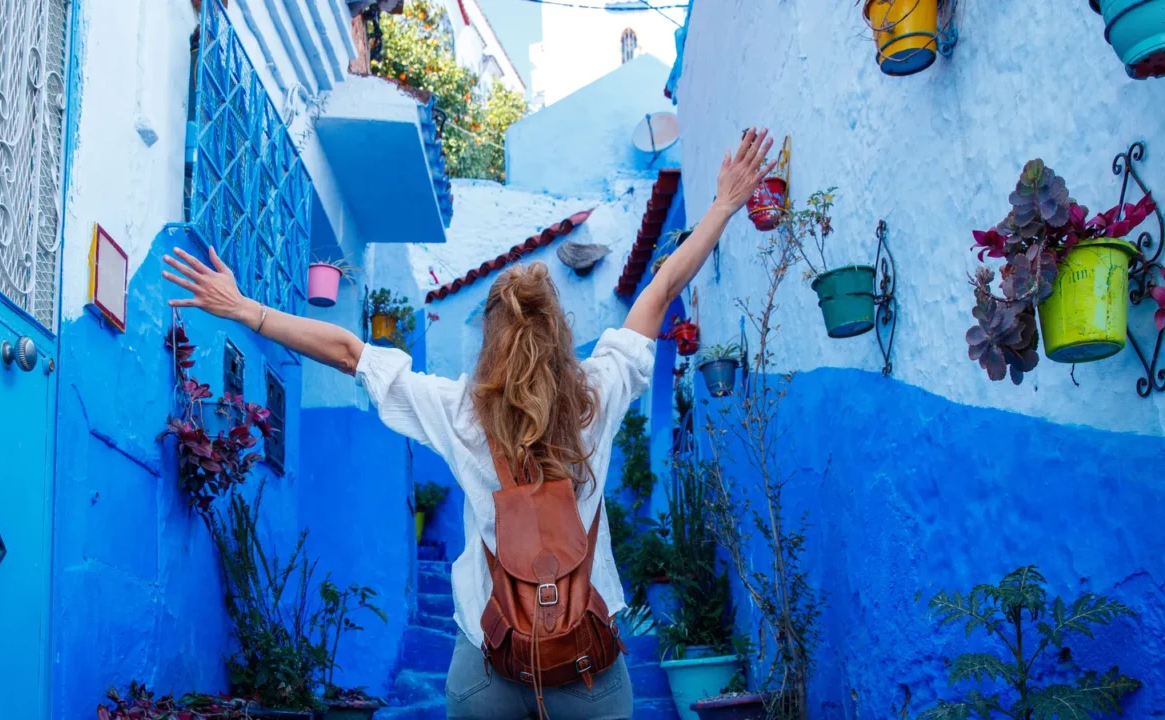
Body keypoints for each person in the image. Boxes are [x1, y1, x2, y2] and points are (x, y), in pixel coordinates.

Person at [161, 128, 776, 720]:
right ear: (560, 337)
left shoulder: (460, 410)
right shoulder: (598, 391)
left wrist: (247, 309)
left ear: (491, 342)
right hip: (587, 665)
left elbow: (351, 352)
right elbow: (663, 284)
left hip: (488, 665)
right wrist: (723, 204)